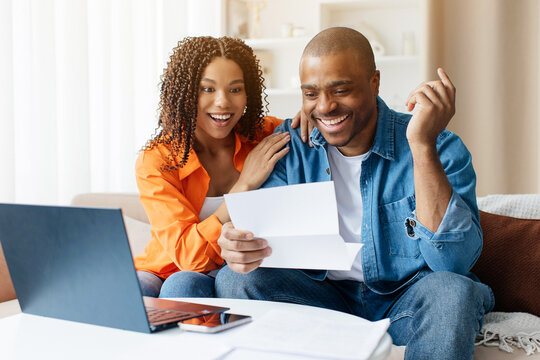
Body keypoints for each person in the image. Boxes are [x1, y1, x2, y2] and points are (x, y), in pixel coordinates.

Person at [214, 27, 493, 360]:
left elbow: (454, 262)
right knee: (234, 279)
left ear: (374, 82)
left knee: (453, 290)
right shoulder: (293, 147)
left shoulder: (439, 146)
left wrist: (421, 146)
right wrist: (240, 246)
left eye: (341, 90)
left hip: (404, 303)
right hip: (324, 304)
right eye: (311, 94)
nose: (326, 106)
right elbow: (262, 244)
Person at [134, 36, 310, 299]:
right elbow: (187, 257)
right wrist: (244, 185)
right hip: (167, 268)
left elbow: (313, 130)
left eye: (235, 89)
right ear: (185, 91)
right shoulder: (159, 159)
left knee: (185, 285)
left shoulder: (265, 135)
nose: (223, 102)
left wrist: (311, 110)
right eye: (207, 89)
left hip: (242, 268)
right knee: (140, 290)